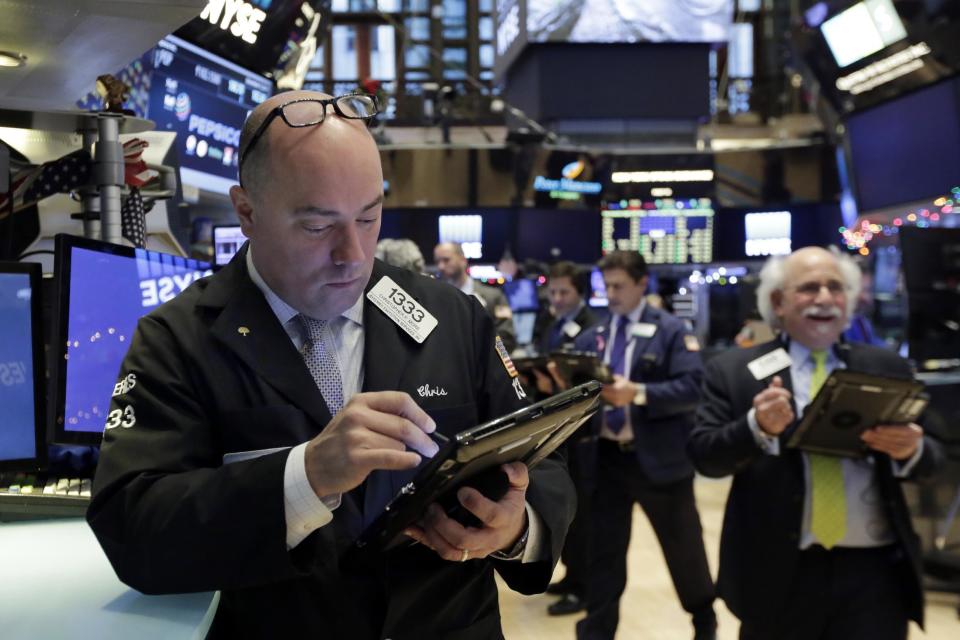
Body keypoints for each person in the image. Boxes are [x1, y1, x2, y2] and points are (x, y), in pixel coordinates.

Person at [86, 90, 576, 639]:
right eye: (318, 227)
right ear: (247, 211)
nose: (353, 255)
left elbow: (544, 467)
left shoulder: (451, 316)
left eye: (369, 218)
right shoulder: (178, 340)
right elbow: (133, 528)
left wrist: (515, 527)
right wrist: (305, 475)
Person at [688, 246, 944, 640]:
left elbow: (935, 459)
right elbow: (707, 457)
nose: (824, 298)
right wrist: (757, 426)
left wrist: (911, 450)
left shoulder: (886, 367)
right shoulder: (735, 371)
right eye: (808, 288)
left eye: (835, 288)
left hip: (875, 575)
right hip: (777, 572)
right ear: (778, 302)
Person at [573, 251, 717, 640]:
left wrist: (637, 394)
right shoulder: (596, 335)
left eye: (620, 285)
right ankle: (597, 631)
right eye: (607, 286)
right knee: (604, 554)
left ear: (642, 284)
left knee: (683, 548)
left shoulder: (671, 330)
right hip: (605, 460)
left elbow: (693, 388)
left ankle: (704, 620)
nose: (612, 294)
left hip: (659, 460)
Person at [525, 260, 600, 615]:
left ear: (579, 292)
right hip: (557, 424)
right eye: (552, 291)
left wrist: (557, 386)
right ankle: (571, 576)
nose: (555, 298)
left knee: (583, 514)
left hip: (584, 432)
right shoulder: (552, 323)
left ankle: (585, 586)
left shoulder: (592, 328)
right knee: (563, 504)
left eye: (563, 292)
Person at [433, 241, 517, 352]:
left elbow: (507, 339)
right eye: (437, 261)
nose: (441, 266)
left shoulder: (494, 297)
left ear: (463, 260)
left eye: (446, 260)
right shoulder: (436, 298)